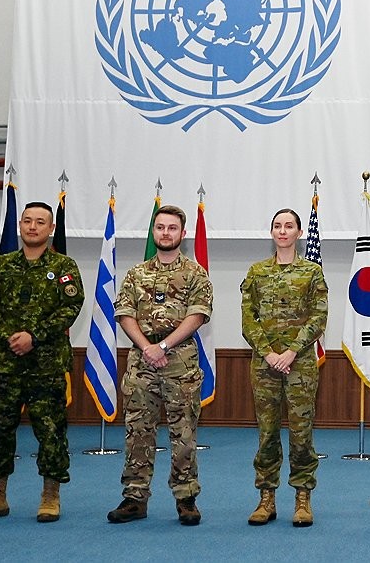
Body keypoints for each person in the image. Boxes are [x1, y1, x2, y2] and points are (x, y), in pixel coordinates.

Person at [0, 202, 84, 523]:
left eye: (40, 222)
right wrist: (10, 335)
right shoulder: (1, 265)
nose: (33, 227)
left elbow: (70, 306)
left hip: (46, 365)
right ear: (20, 225)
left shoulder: (65, 267)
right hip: (6, 364)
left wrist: (33, 335)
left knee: (50, 432)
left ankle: (50, 496)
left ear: (50, 229)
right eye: (28, 221)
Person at [107, 204, 213, 526]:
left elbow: (198, 315)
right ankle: (134, 498)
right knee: (138, 430)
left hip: (180, 360)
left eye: (172, 228)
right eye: (160, 227)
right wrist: (147, 347)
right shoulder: (136, 274)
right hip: (142, 361)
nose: (165, 233)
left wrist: (164, 345)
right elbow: (124, 313)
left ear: (182, 233)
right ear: (154, 232)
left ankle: (186, 499)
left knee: (183, 433)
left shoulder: (196, 274)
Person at [241, 208, 328, 527]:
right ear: (271, 232)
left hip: (300, 363)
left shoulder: (311, 273)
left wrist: (291, 352)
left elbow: (319, 317)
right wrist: (268, 353)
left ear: (299, 232)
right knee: (266, 432)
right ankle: (266, 497)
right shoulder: (257, 272)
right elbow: (248, 318)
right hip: (264, 364)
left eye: (288, 226)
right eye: (277, 226)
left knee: (301, 432)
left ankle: (303, 496)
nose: (282, 231)